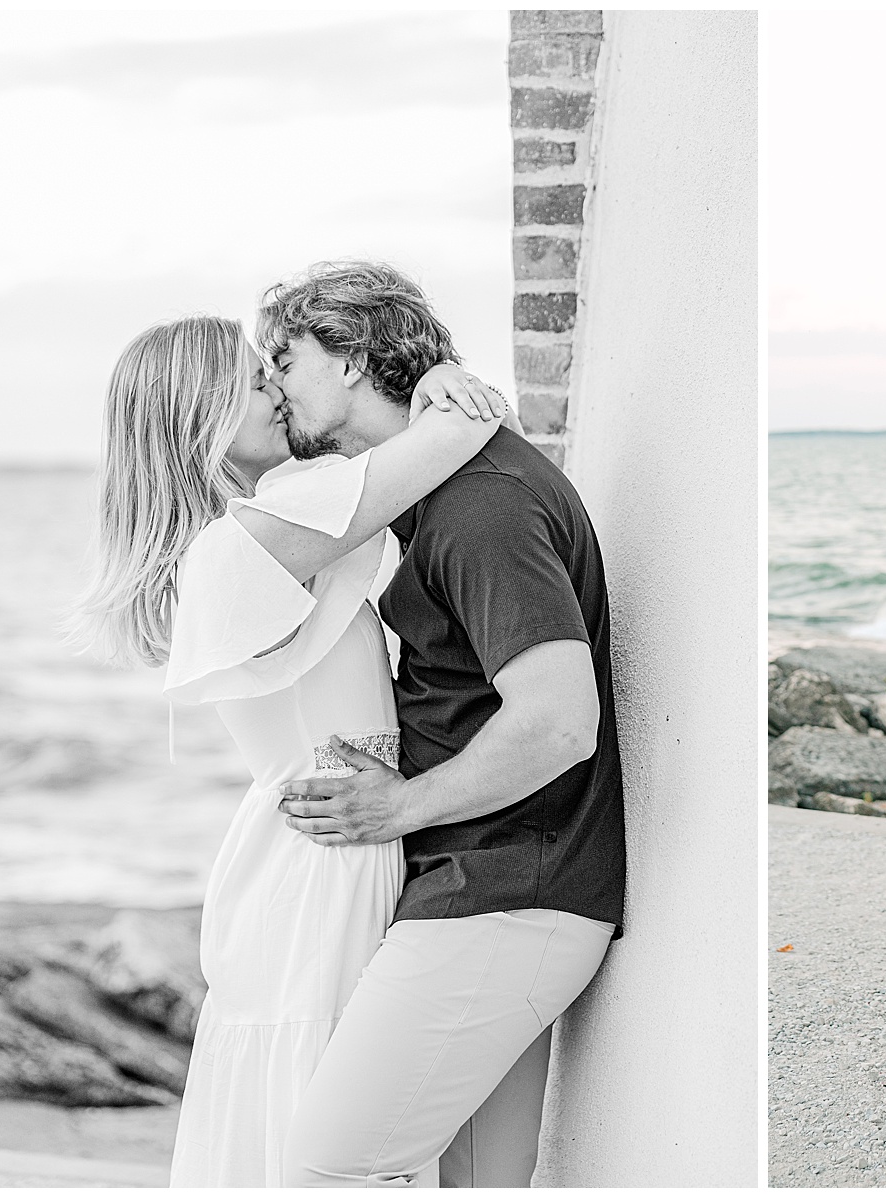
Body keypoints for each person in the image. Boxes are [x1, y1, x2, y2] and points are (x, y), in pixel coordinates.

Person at [69, 311, 510, 1185]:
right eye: (253, 379)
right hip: (326, 863)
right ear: (200, 413)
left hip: (325, 843)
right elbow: (454, 435)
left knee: (325, 1119)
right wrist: (435, 383)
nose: (276, 388)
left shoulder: (239, 538)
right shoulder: (249, 544)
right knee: (328, 1119)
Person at [265, 261, 627, 1188]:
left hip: (503, 894)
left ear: (351, 358)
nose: (273, 381)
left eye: (285, 358)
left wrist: (399, 806)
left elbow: (560, 721)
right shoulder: (441, 486)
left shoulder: (481, 503)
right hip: (501, 894)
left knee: (330, 1164)